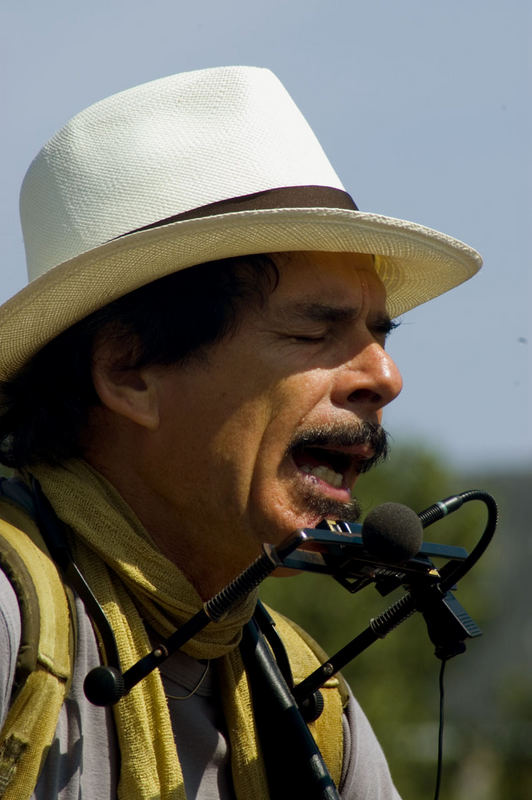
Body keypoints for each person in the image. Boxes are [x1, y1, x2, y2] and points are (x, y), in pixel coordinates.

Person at [0, 66, 481, 800]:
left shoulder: (306, 702)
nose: (385, 377)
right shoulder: (12, 622)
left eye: (380, 333)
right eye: (316, 331)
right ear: (130, 370)